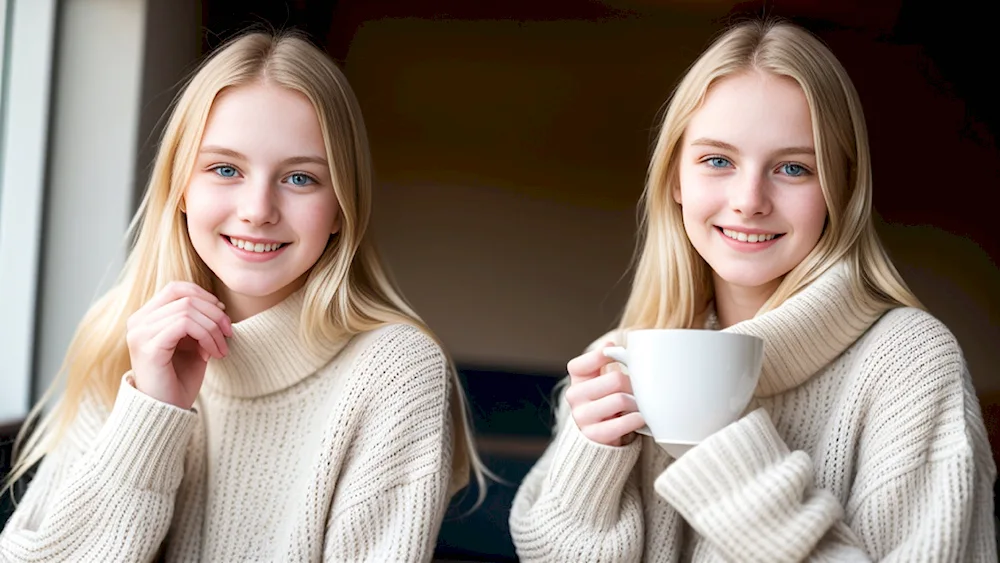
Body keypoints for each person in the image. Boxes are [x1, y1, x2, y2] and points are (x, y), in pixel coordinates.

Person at [509, 19, 997, 562]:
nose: (749, 200)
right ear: (675, 178)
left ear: (842, 188)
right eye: (717, 160)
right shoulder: (625, 356)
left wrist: (733, 467)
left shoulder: (910, 363)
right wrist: (592, 457)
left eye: (793, 168)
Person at [0, 30, 486, 562]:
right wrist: (152, 413)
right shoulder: (122, 335)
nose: (258, 209)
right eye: (225, 169)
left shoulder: (397, 369)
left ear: (343, 207)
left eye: (300, 178)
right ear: (181, 187)